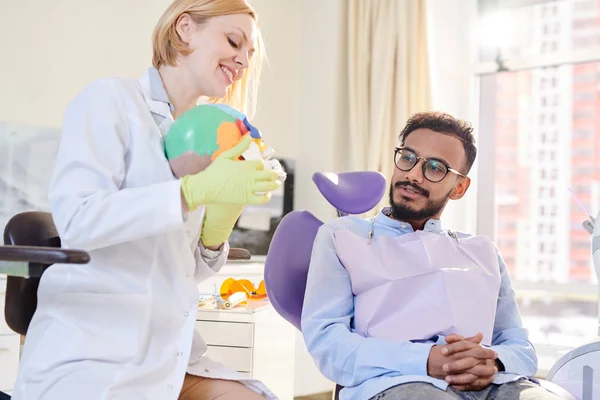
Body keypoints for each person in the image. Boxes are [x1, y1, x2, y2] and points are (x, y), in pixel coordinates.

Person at [12, 1, 281, 399]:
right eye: (233, 41)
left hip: (169, 355)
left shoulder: (205, 135)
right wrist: (191, 193)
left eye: (249, 53)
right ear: (185, 28)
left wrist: (217, 227)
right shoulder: (109, 100)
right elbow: (79, 221)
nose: (242, 60)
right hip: (96, 356)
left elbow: (181, 272)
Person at [301, 111, 563, 400]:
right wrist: (427, 360)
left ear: (459, 187)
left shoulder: (481, 251)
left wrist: (493, 361)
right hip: (398, 382)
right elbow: (328, 343)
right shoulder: (343, 235)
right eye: (408, 158)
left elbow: (519, 345)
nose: (412, 174)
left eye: (436, 168)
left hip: (494, 384)